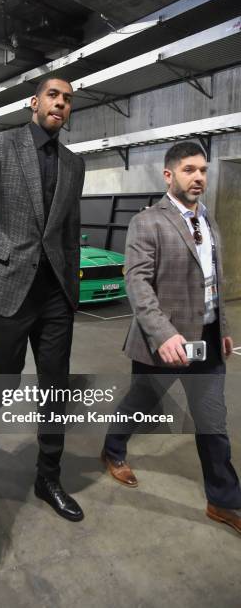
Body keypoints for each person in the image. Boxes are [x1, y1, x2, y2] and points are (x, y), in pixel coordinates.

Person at [0, 77, 85, 522]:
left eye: (67, 100)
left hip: (55, 296)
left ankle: (48, 475)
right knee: (5, 379)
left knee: (55, 383)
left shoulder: (74, 163)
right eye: (53, 95)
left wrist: (72, 295)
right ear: (34, 102)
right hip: (7, 286)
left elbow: (68, 233)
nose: (60, 104)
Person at [102, 141, 241, 534]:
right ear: (169, 175)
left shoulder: (209, 220)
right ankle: (113, 450)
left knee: (213, 422)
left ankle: (224, 500)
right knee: (141, 404)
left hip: (207, 341)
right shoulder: (147, 221)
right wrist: (164, 334)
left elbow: (213, 281)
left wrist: (223, 330)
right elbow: (137, 282)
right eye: (189, 170)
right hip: (160, 343)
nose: (199, 177)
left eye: (203, 170)